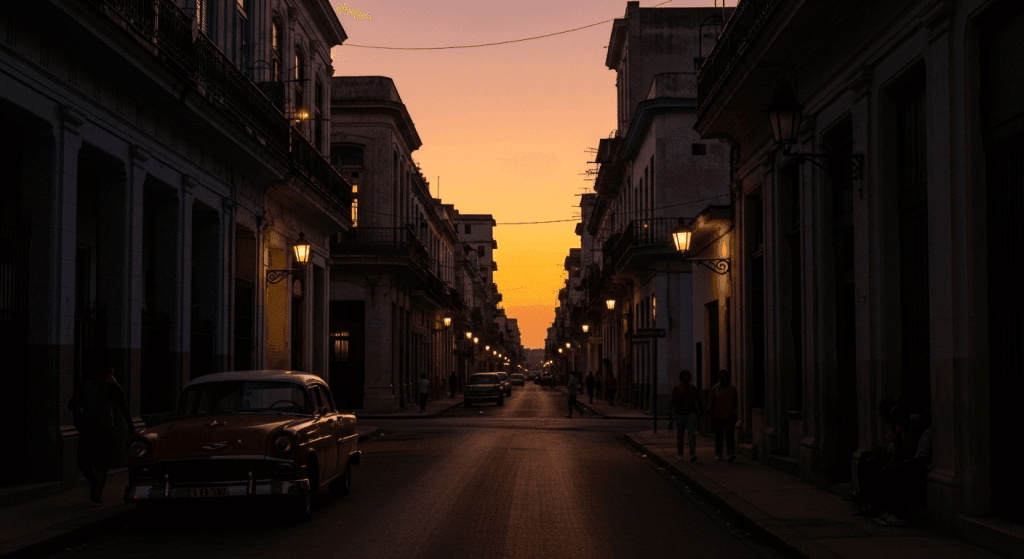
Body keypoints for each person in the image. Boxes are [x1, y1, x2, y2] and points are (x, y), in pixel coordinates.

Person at [67, 364, 134, 504]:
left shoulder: (86, 386)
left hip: (88, 429)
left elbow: (72, 402)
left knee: (86, 463)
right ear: (108, 374)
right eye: (111, 374)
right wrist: (130, 424)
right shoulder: (113, 387)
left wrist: (79, 409)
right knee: (101, 464)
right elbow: (123, 405)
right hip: (104, 429)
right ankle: (96, 492)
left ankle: (95, 489)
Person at [669, 369, 703, 462]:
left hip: (691, 413)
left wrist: (700, 412)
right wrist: (670, 412)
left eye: (687, 376)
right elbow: (672, 401)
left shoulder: (693, 388)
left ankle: (692, 453)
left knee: (691, 434)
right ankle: (680, 453)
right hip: (680, 414)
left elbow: (698, 400)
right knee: (680, 434)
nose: (686, 378)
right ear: (681, 378)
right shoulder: (677, 389)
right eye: (684, 377)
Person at [707, 369, 738, 462]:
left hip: (729, 415)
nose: (723, 378)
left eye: (725, 376)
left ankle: (730, 453)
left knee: (729, 435)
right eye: (721, 376)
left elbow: (735, 401)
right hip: (718, 415)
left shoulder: (732, 389)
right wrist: (710, 412)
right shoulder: (715, 388)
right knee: (719, 435)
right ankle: (719, 453)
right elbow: (710, 401)